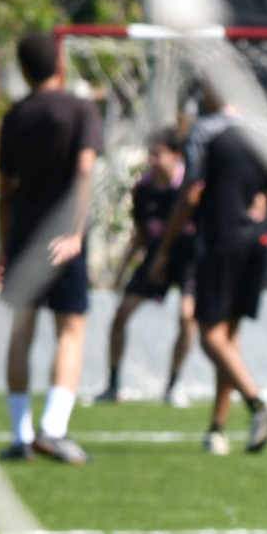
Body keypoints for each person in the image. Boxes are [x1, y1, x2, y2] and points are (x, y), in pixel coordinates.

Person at [151, 83, 267, 455]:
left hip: (220, 241)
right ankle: (217, 429)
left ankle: (258, 404)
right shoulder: (266, 128)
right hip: (256, 243)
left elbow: (193, 191)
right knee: (229, 340)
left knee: (209, 336)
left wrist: (165, 247)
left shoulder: (205, 129)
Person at [0, 30, 101, 463]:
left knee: (21, 333)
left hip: (23, 238)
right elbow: (84, 174)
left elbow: (4, 190)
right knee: (70, 331)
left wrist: (3, 249)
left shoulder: (14, 116)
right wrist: (75, 232)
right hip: (64, 240)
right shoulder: (81, 109)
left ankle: (21, 436)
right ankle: (53, 430)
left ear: (22, 70)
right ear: (60, 63)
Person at [97, 127, 199, 405]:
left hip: (187, 258)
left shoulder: (189, 188)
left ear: (176, 156)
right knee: (121, 314)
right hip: (155, 258)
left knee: (187, 318)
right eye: (150, 155)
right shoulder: (142, 188)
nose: (152, 161)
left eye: (158, 155)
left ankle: (173, 386)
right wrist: (121, 270)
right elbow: (140, 233)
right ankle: (113, 385)